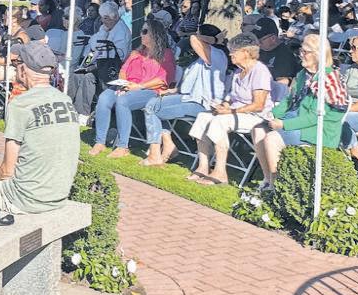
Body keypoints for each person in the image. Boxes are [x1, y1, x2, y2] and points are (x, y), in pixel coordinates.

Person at [0, 40, 80, 214]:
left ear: (23, 69)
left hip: (25, 199)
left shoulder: (20, 104)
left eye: (16, 63)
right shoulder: (65, 100)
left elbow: (7, 169)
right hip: (58, 196)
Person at [254, 33, 349, 188]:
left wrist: (283, 125)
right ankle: (267, 180)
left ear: (317, 54)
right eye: (301, 51)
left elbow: (315, 117)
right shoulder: (303, 75)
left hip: (319, 129)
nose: (301, 55)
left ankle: (275, 187)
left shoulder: (328, 80)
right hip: (297, 119)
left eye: (305, 52)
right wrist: (271, 114)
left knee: (272, 138)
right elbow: (289, 100)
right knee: (258, 129)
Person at [188, 32, 274, 184]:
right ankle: (203, 166)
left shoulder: (260, 71)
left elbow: (258, 105)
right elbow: (232, 97)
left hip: (257, 116)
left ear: (246, 52)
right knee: (203, 117)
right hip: (237, 112)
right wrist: (224, 106)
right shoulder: (238, 72)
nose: (230, 54)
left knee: (219, 121)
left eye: (234, 51)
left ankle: (220, 172)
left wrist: (230, 111)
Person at [90, 16, 175, 158]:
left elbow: (163, 79)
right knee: (104, 98)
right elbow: (123, 70)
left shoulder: (166, 54)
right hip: (127, 87)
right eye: (142, 31)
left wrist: (139, 86)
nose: (141, 34)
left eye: (145, 31)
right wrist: (123, 85)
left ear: (155, 34)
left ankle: (122, 146)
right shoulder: (136, 53)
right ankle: (100, 142)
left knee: (123, 101)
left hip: (149, 90)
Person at [142, 26, 226, 167]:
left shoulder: (217, 56)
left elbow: (193, 38)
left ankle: (155, 154)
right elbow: (193, 86)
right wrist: (172, 91)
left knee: (153, 110)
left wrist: (216, 39)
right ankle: (168, 145)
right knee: (152, 103)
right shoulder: (201, 58)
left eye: (200, 35)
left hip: (203, 105)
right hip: (190, 97)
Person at [254, 18, 299, 85]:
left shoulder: (286, 55)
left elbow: (283, 82)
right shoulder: (258, 51)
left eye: (260, 41)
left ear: (273, 38)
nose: (257, 43)